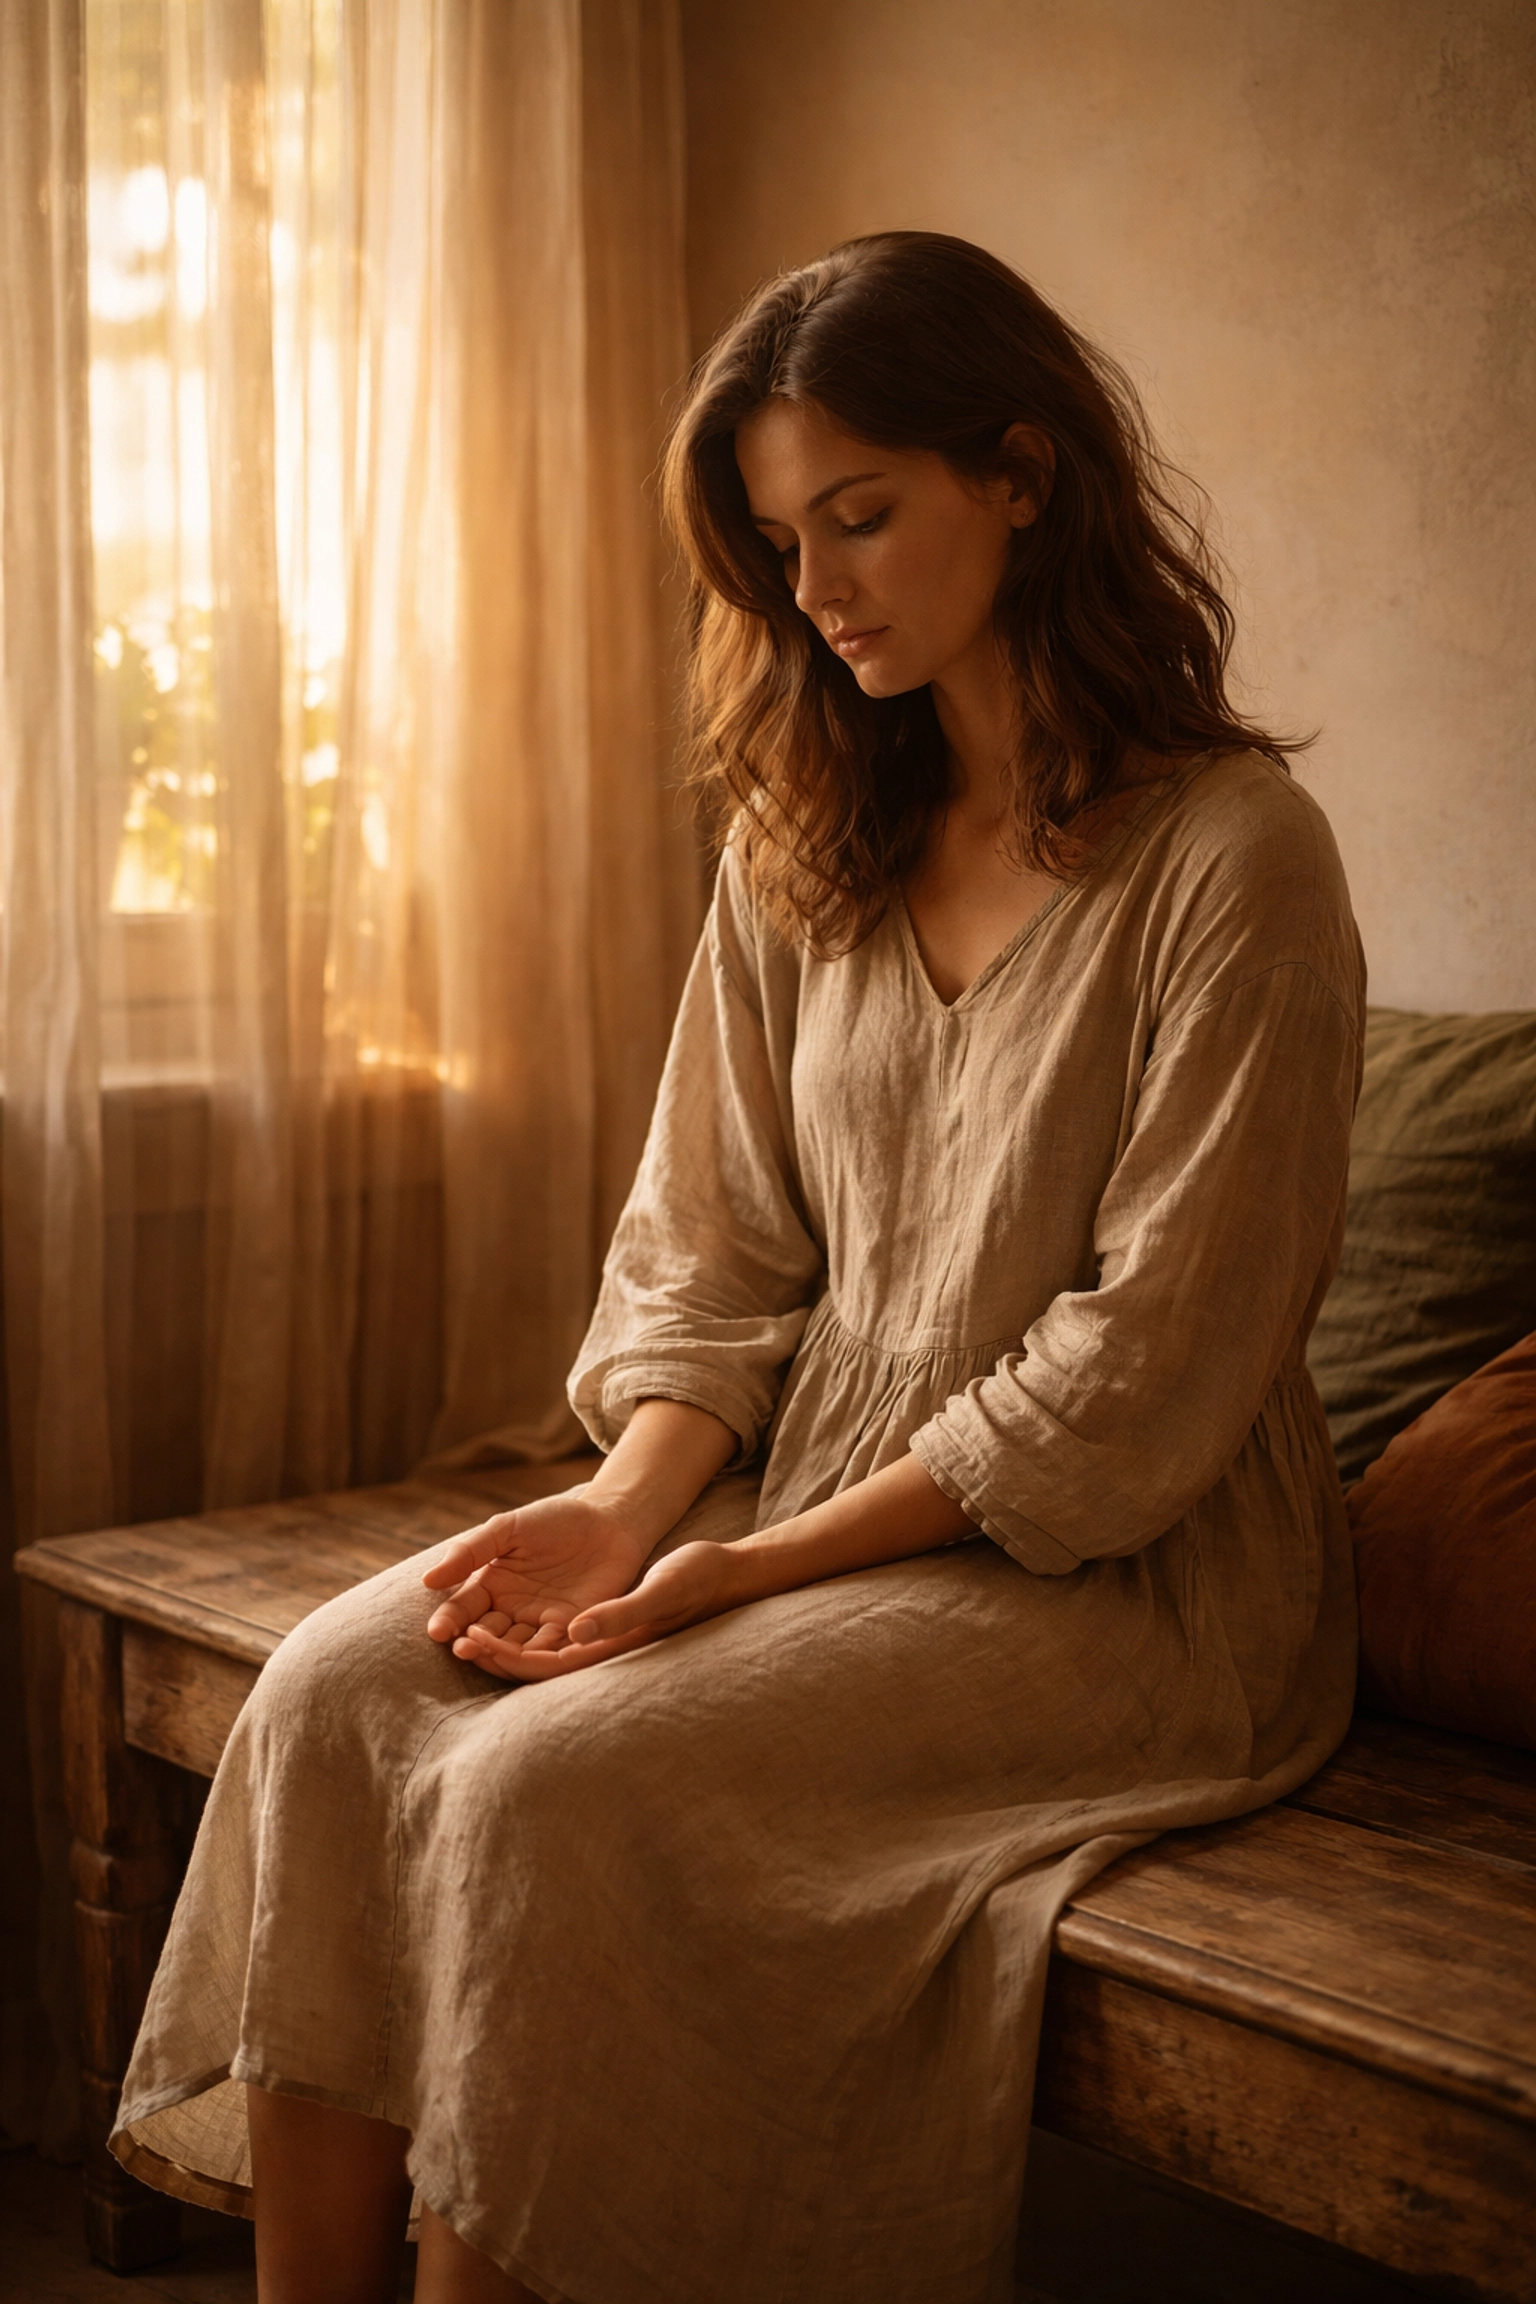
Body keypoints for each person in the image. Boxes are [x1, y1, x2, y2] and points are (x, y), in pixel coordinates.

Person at [112, 232, 1365, 2304]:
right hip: (808, 1486)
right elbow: (712, 1246)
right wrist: (623, 1501)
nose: (821, 589)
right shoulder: (814, 832)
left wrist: (736, 1574)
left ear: (1026, 474)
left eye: (859, 515)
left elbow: (1141, 1380)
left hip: (1122, 1575)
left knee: (547, 1786)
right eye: (783, 543)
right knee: (337, 1692)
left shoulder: (1234, 861)